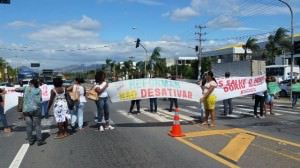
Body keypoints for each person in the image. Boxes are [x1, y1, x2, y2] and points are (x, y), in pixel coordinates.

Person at [15, 79, 46, 146]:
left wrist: (22, 87)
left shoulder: (26, 88)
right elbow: (40, 99)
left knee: (29, 126)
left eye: (29, 83)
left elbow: (16, 89)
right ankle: (39, 141)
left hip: (26, 110)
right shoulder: (39, 90)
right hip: (36, 110)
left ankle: (30, 141)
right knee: (37, 125)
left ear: (31, 83)